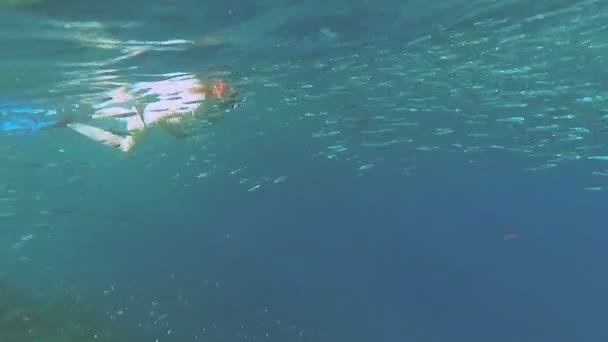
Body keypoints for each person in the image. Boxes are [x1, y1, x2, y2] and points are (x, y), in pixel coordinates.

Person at [65, 73, 237, 152]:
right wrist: (177, 133)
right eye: (228, 92)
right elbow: (163, 116)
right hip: (141, 114)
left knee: (96, 112)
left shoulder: (192, 81)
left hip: (138, 103)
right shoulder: (196, 103)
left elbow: (166, 112)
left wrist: (178, 134)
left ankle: (73, 119)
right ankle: (72, 122)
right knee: (126, 147)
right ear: (220, 89)